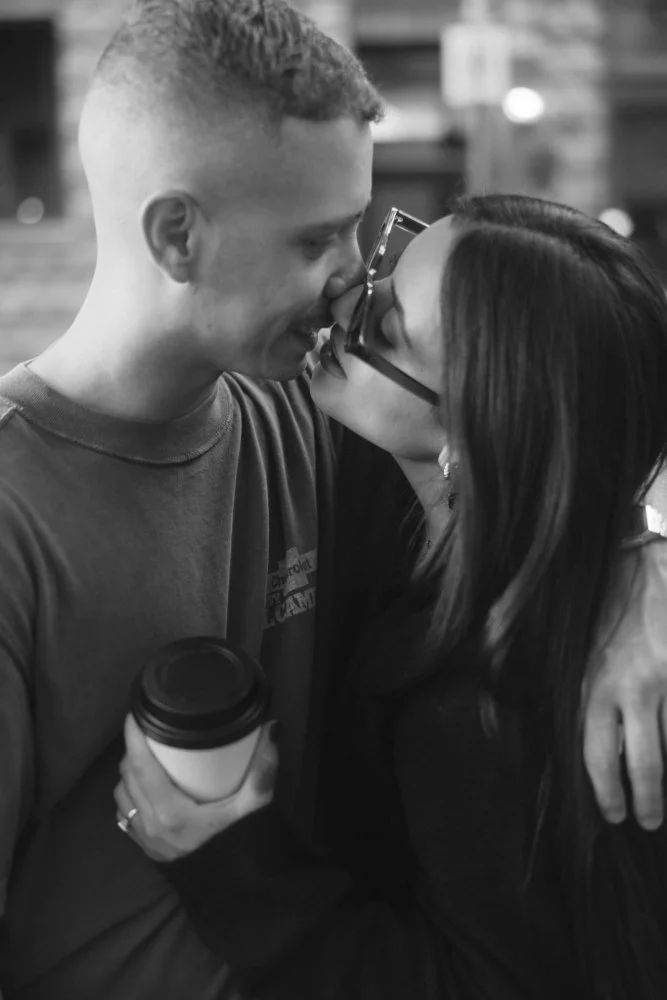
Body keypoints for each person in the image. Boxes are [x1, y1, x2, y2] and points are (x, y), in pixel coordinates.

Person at [0, 0, 665, 995]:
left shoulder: (327, 423)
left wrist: (628, 565)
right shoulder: (19, 509)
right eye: (317, 240)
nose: (351, 279)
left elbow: (536, 449)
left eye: (361, 229)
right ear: (178, 235)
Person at [117, 195, 667, 1000]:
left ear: (476, 427)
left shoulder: (490, 699)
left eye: (383, 324)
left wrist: (228, 857)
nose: (343, 296)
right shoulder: (399, 485)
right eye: (385, 259)